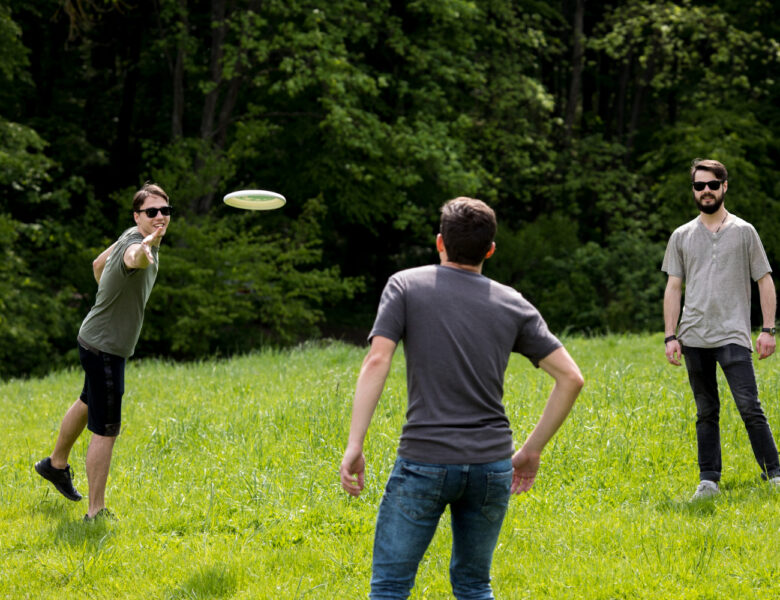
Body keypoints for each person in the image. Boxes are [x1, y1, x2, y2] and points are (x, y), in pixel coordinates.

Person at [339, 197, 584, 599]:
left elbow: (377, 360)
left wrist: (355, 444)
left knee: (389, 588)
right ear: (490, 250)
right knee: (474, 585)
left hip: (424, 461)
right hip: (491, 467)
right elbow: (571, 379)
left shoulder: (405, 286)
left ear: (440, 242)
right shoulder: (512, 302)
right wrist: (530, 451)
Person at [35, 182, 172, 520]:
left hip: (93, 339)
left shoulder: (128, 234)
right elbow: (133, 258)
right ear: (137, 215)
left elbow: (98, 264)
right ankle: (96, 511)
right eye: (151, 212)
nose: (159, 217)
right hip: (106, 350)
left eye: (164, 211)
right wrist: (146, 248)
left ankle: (54, 465)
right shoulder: (138, 246)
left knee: (87, 401)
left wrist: (110, 298)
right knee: (106, 428)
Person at [662, 158, 779, 501]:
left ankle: (773, 474)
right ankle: (708, 481)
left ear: (724, 186)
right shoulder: (681, 236)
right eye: (700, 186)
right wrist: (671, 336)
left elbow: (764, 279)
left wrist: (768, 328)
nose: (706, 191)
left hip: (733, 334)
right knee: (705, 411)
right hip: (694, 336)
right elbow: (673, 288)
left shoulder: (745, 232)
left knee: (749, 406)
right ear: (694, 190)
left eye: (713, 184)